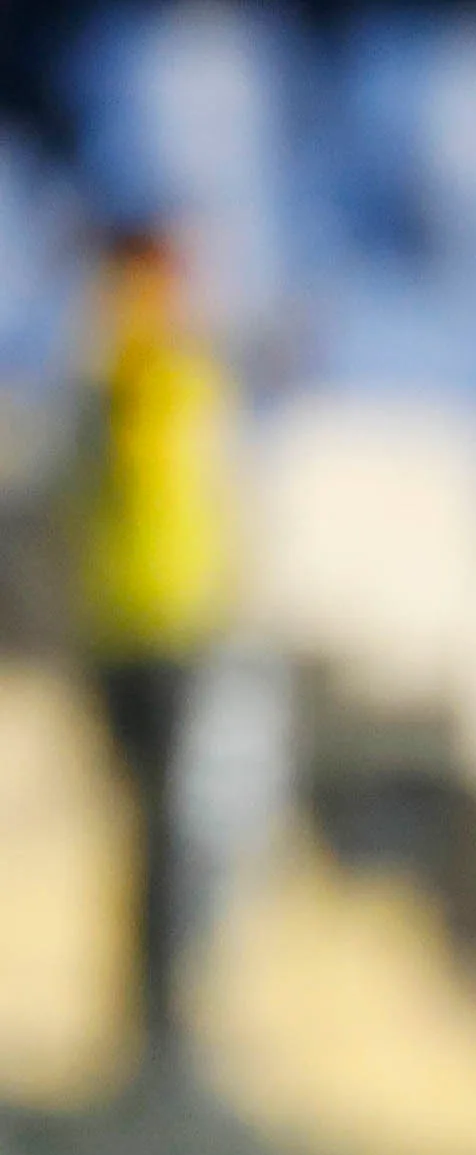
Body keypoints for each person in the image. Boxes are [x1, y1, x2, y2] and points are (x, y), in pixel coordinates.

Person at [66, 216, 230, 1092]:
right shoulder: (127, 376)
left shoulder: (173, 370)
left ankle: (162, 1025)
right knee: (157, 837)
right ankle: (151, 1028)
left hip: (176, 627)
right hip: (134, 632)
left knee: (172, 839)